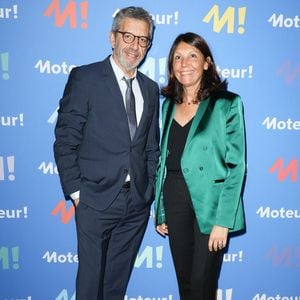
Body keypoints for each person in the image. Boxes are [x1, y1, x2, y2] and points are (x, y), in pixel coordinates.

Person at [54, 6, 160, 300]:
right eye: (128, 36)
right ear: (113, 37)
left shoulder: (151, 90)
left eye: (143, 40)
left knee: (116, 284)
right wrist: (77, 192)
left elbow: (151, 146)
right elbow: (65, 139)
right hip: (94, 199)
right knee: (90, 286)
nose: (135, 45)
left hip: (136, 203)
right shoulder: (85, 78)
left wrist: (148, 190)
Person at [154, 32, 246, 300]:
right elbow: (165, 160)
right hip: (175, 197)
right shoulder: (167, 105)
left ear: (207, 62)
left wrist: (223, 221)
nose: (184, 63)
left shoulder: (228, 103)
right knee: (184, 282)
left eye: (192, 56)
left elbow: (236, 166)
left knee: (202, 283)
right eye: (178, 58)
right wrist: (160, 209)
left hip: (211, 204)